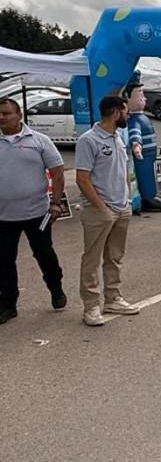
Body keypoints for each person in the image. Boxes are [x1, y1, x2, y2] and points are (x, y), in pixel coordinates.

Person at [75, 95, 140, 326]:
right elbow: (82, 178)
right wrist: (101, 207)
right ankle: (91, 306)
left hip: (122, 207)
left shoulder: (118, 137)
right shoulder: (89, 140)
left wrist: (127, 201)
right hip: (100, 209)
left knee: (115, 257)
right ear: (115, 113)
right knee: (91, 259)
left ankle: (113, 297)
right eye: (126, 111)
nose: (128, 115)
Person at [0, 98, 67, 324]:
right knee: (4, 261)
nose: (1, 117)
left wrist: (56, 203)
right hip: (4, 216)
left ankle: (56, 289)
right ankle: (8, 304)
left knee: (44, 254)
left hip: (37, 213)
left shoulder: (39, 141)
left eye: (6, 113)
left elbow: (57, 172)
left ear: (19, 115)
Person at [126, 80, 161, 212]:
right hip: (143, 155)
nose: (144, 98)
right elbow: (135, 133)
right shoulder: (134, 120)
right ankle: (148, 197)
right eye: (140, 95)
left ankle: (151, 195)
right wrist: (136, 144)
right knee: (145, 175)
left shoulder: (142, 118)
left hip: (149, 154)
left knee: (151, 175)